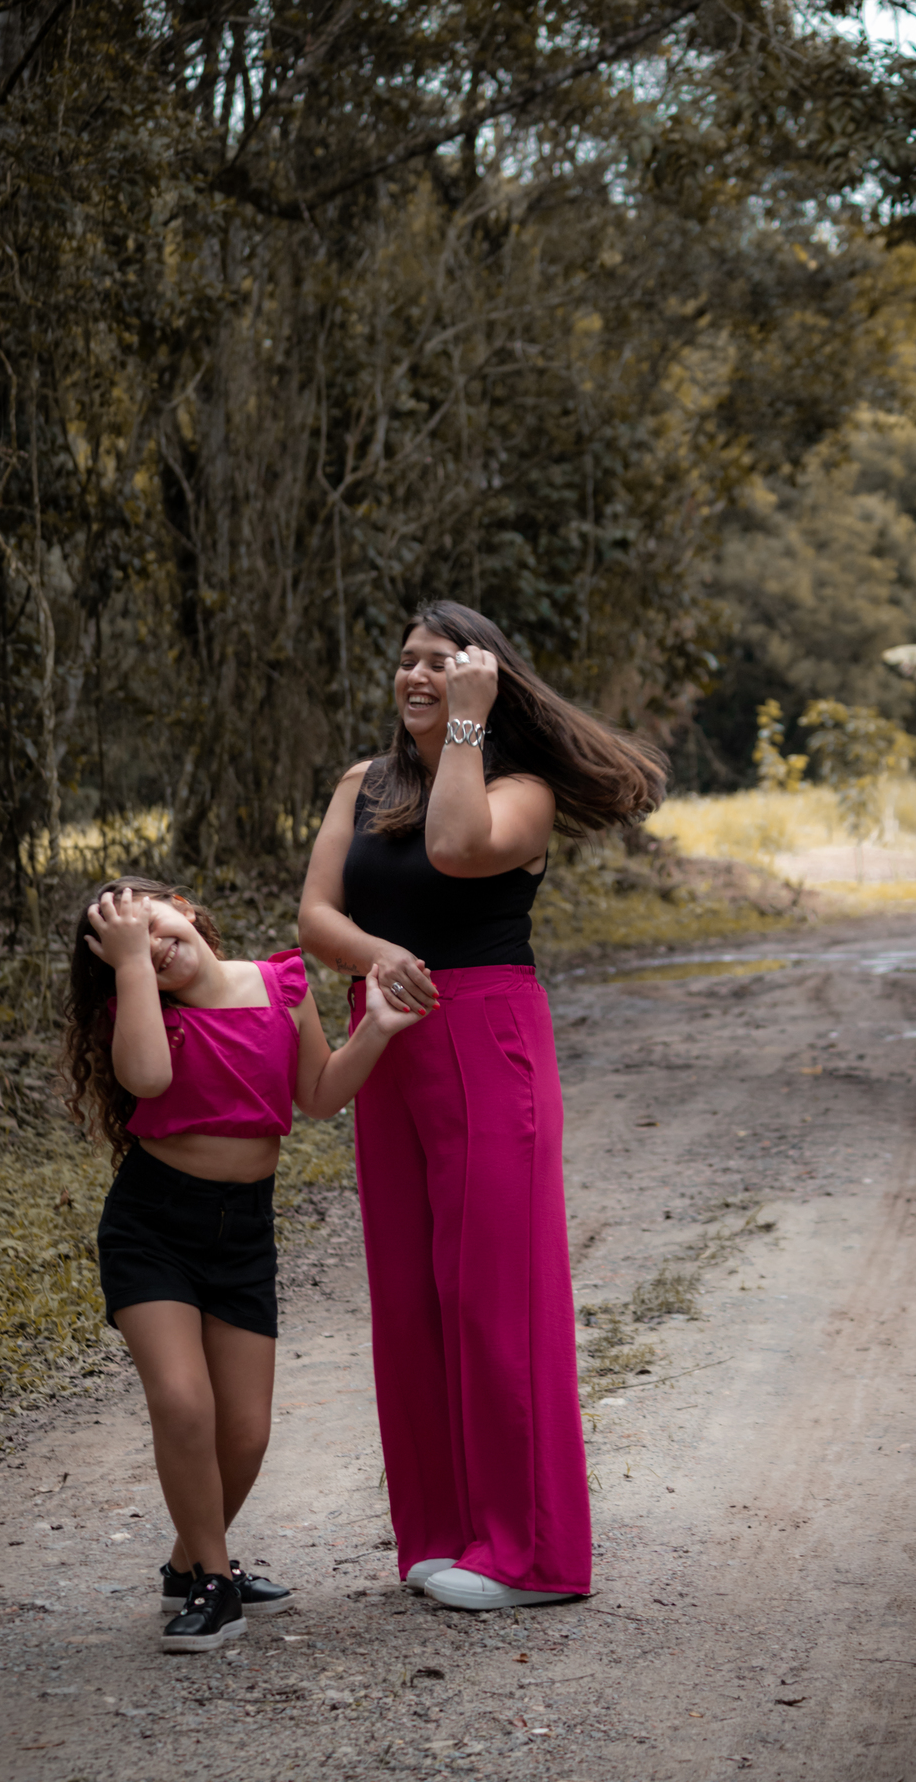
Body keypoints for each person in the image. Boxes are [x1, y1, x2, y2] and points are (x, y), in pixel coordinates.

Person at [299, 600, 667, 1610]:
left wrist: (466, 723)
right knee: (410, 1294)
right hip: (388, 1032)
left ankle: (533, 1555)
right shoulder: (362, 784)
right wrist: (380, 956)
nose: (417, 676)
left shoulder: (521, 793)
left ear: (486, 680)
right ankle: (441, 1532)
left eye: (443, 664)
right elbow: (317, 915)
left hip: (487, 1034)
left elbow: (458, 848)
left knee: (493, 1293)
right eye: (407, 662)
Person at [63, 878, 416, 1651]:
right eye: (129, 947)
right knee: (184, 1404)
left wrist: (378, 1028)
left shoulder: (281, 985)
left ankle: (187, 1565)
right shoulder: (143, 1010)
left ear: (185, 908)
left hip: (243, 1234)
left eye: (153, 925)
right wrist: (132, 966)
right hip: (153, 1227)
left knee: (247, 1434)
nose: (153, 949)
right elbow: (147, 1079)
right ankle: (216, 1583)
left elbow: (317, 1094)